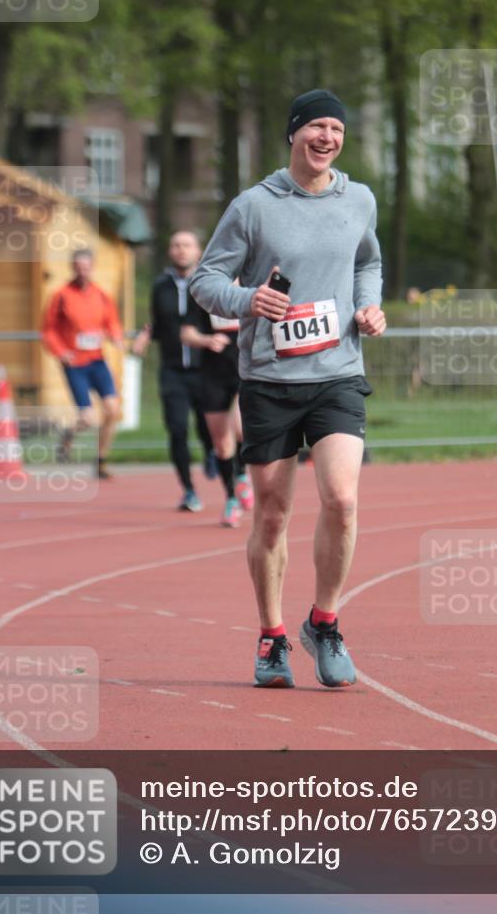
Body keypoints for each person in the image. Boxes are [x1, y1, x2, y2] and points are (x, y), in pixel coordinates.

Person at [191, 88, 386, 689]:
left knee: (343, 500)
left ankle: (324, 622)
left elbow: (367, 262)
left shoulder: (360, 199)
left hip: (337, 374)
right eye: (316, 127)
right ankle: (272, 637)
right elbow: (205, 280)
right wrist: (250, 300)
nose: (327, 137)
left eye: (337, 127)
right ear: (293, 133)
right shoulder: (253, 206)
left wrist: (368, 305)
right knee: (272, 517)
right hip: (271, 380)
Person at [132, 231, 217, 512]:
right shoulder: (160, 286)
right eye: (176, 245)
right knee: (177, 429)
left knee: (208, 428)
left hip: (206, 368)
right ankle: (189, 490)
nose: (181, 250)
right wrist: (146, 336)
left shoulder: (209, 285)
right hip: (172, 371)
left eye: (187, 245)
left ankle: (212, 453)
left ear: (199, 251)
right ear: (170, 252)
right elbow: (160, 323)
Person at [41, 248, 123, 480]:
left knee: (112, 410)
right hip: (75, 363)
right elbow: (48, 330)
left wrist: (115, 336)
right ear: (72, 268)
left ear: (92, 267)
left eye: (86, 267)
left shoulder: (101, 295)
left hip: (97, 360)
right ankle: (68, 435)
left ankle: (101, 460)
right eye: (78, 267)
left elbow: (111, 321)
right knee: (87, 418)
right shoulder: (61, 295)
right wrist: (60, 351)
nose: (82, 271)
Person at [180, 300, 254, 528]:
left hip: (247, 370)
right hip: (214, 376)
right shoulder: (206, 291)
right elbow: (186, 333)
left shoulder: (252, 285)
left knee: (241, 427)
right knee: (222, 444)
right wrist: (207, 340)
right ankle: (231, 497)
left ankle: (241, 471)